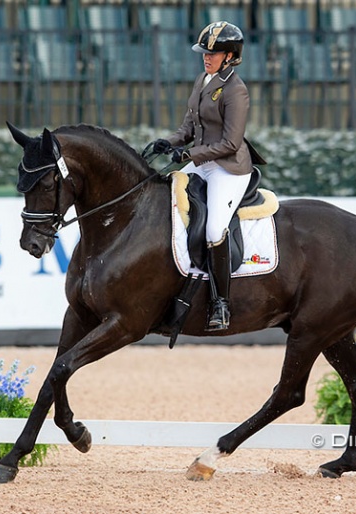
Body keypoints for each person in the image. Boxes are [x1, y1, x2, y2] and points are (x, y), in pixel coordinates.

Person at [150, 20, 265, 332]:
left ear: (230, 56)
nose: (206, 57)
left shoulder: (236, 90)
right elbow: (189, 127)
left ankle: (220, 303)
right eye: (204, 52)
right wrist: (170, 142)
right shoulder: (203, 79)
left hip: (229, 167)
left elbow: (230, 142)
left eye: (212, 53)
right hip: (202, 162)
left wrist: (188, 155)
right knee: (163, 196)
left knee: (215, 229)